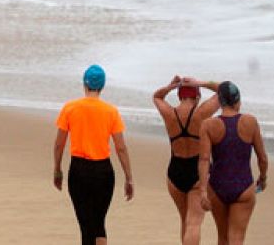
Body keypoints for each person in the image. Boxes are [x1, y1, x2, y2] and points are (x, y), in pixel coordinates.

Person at [53, 64, 135, 245]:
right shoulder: (111, 111)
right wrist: (129, 178)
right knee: (98, 222)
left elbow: (59, 144)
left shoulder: (70, 108)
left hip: (79, 170)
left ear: (84, 84)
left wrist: (57, 169)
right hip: (103, 172)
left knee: (86, 226)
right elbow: (121, 147)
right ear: (102, 86)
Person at [195, 81, 269, 245]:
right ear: (238, 101)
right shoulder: (250, 122)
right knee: (237, 239)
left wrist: (202, 191)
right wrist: (262, 178)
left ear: (220, 102)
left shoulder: (208, 125)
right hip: (243, 186)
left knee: (222, 238)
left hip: (217, 187)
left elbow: (204, 159)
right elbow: (262, 157)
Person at [152, 75, 220, 244]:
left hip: (175, 170)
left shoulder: (169, 113)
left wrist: (170, 86)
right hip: (197, 171)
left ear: (179, 96)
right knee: (194, 223)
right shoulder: (201, 113)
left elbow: (156, 97)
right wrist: (202, 82)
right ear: (197, 96)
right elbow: (224, 91)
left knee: (185, 220)